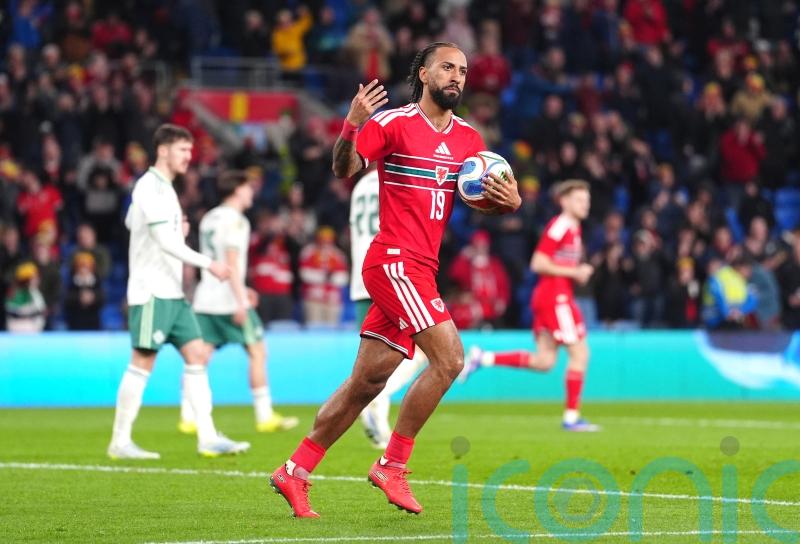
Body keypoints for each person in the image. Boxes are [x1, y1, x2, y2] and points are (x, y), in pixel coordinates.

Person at [269, 42, 521, 518]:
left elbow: (485, 196)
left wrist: (509, 202)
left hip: (422, 267)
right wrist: (351, 124)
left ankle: (295, 470)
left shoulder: (470, 141)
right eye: (447, 67)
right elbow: (343, 168)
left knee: (365, 383)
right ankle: (393, 465)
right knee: (450, 360)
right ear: (423, 73)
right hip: (393, 262)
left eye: (463, 71)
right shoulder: (393, 123)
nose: (457, 77)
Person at [107, 124, 249, 460]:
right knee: (143, 360)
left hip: (172, 292)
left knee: (197, 355)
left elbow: (132, 222)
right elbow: (163, 241)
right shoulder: (150, 187)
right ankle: (120, 440)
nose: (189, 156)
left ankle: (207, 436)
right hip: (152, 290)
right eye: (183, 150)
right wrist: (207, 262)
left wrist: (174, 228)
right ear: (164, 150)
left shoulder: (164, 189)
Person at [460, 180, 600, 432]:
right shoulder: (561, 226)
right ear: (564, 201)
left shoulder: (573, 228)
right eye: (579, 199)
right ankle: (571, 418)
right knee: (580, 354)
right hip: (555, 297)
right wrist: (575, 271)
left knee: (544, 361)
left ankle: (484, 358)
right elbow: (538, 262)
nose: (585, 204)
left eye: (587, 200)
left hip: (551, 297)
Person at [181, 170, 298, 434]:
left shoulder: (210, 217)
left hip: (205, 297)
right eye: (247, 187)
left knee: (198, 357)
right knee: (257, 351)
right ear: (236, 190)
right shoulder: (237, 221)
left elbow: (218, 259)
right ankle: (264, 415)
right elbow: (231, 261)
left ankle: (188, 416)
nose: (251, 192)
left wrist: (243, 288)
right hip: (227, 300)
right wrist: (241, 300)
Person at [350, 167, 429, 449]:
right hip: (391, 272)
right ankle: (379, 398)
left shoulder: (359, 188)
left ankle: (379, 425)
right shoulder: (395, 180)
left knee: (378, 360)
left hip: (362, 279)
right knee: (425, 351)